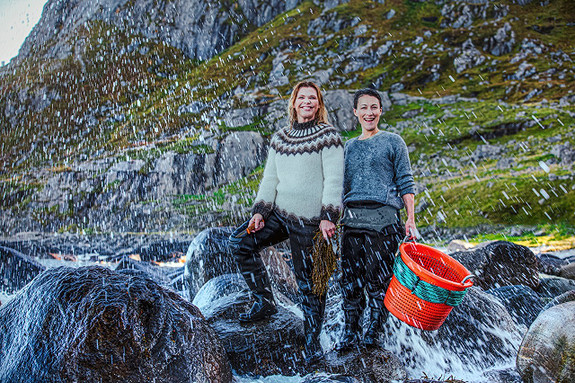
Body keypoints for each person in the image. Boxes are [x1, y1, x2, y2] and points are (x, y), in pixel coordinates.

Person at [229, 81, 344, 363]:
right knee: (240, 243)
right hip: (279, 214)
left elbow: (334, 179)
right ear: (293, 103)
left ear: (319, 104)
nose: (307, 102)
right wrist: (259, 211)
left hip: (311, 222)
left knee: (310, 283)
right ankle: (264, 301)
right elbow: (270, 179)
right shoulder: (280, 138)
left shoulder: (328, 136)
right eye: (302, 97)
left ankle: (312, 342)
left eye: (312, 98)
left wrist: (329, 216)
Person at [335, 88, 416, 352]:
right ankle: (350, 331)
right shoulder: (349, 146)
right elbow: (342, 187)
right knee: (350, 279)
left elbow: (406, 181)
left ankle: (374, 331)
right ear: (355, 112)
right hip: (352, 220)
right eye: (364, 108)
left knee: (377, 279)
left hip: (384, 220)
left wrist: (411, 219)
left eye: (374, 107)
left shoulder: (394, 142)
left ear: (381, 111)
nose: (369, 113)